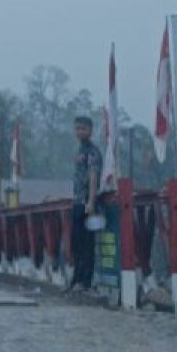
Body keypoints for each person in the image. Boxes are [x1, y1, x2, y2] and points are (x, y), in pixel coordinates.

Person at [66, 116, 103, 292]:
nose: (79, 132)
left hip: (88, 203)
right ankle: (76, 278)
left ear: (90, 130)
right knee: (76, 242)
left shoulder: (93, 152)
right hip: (77, 201)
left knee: (87, 243)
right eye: (77, 128)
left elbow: (94, 176)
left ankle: (85, 281)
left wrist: (91, 201)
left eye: (83, 128)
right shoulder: (79, 150)